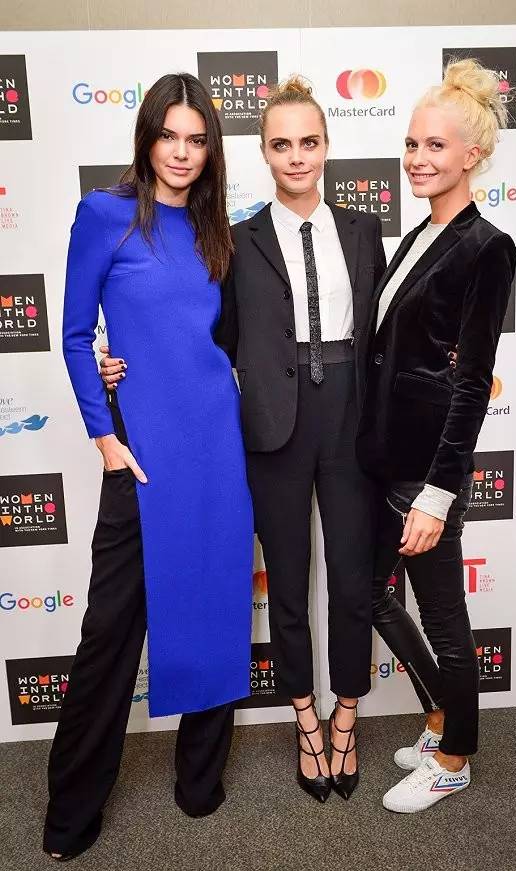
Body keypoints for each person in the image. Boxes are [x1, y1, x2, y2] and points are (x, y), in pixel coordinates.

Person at [101, 76, 387, 803]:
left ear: (327, 146)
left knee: (352, 582)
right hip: (271, 426)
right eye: (282, 144)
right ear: (263, 152)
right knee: (287, 584)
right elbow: (208, 337)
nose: (297, 156)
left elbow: (385, 338)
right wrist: (119, 361)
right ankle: (304, 719)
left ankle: (346, 716)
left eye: (309, 142)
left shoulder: (363, 232)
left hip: (351, 422)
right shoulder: (234, 239)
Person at [44, 73, 253, 860]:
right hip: (141, 451)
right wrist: (105, 434)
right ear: (147, 136)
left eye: (197, 140)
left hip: (217, 446)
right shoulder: (105, 214)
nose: (183, 152)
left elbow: (222, 341)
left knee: (217, 604)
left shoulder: (214, 228)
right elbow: (74, 334)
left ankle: (200, 783)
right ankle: (71, 814)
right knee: (110, 630)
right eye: (170, 135)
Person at [357, 58, 516, 813]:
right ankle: (439, 719)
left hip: (426, 472)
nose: (418, 159)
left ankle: (454, 759)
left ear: (472, 155)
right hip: (383, 457)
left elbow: (470, 381)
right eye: (412, 144)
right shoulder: (420, 232)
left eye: (435, 146)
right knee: (371, 597)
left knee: (446, 622)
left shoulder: (488, 246)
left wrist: (437, 494)